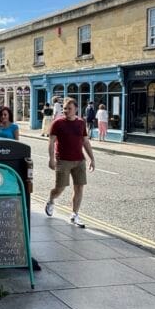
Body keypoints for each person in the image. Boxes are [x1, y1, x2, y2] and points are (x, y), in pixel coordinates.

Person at [45, 96, 96, 228]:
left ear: (76, 109)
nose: (66, 110)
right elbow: (51, 142)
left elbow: (85, 141)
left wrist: (92, 158)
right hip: (63, 160)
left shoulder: (81, 123)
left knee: (79, 187)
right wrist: (51, 158)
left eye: (69, 108)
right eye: (64, 108)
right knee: (60, 188)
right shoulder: (57, 123)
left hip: (79, 160)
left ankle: (74, 214)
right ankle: (51, 199)